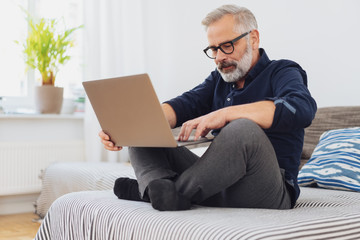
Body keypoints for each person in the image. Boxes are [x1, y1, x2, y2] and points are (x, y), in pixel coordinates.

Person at [99, 4, 317, 211]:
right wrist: (125, 128)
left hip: (269, 189)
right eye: (214, 49)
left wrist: (226, 114)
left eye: (227, 46)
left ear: (253, 38)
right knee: (145, 128)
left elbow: (301, 108)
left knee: (243, 129)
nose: (220, 57)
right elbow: (184, 104)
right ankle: (162, 191)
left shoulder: (282, 70)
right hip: (216, 183)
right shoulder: (219, 80)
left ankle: (156, 191)